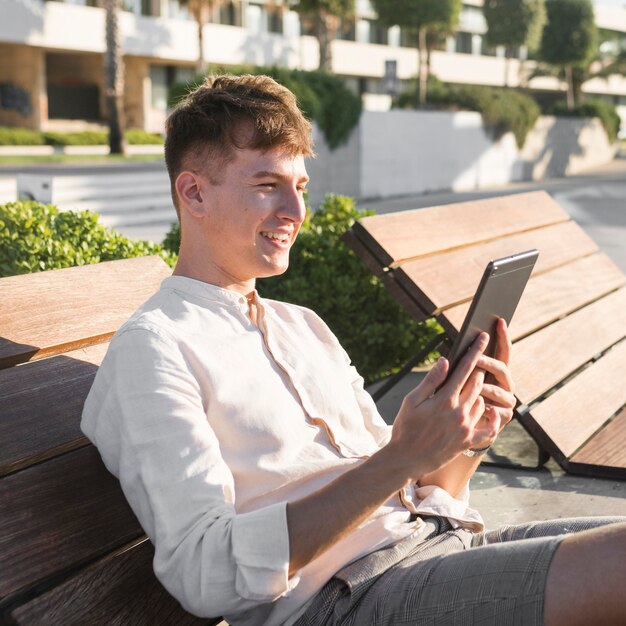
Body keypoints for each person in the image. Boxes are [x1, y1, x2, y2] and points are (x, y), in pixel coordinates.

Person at [81, 74, 626, 626]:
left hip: (436, 545)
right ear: (194, 192)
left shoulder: (304, 327)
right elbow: (206, 573)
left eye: (301, 186)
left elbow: (413, 492)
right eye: (268, 184)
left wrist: (466, 438)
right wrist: (402, 457)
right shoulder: (155, 349)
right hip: (347, 600)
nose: (295, 210)